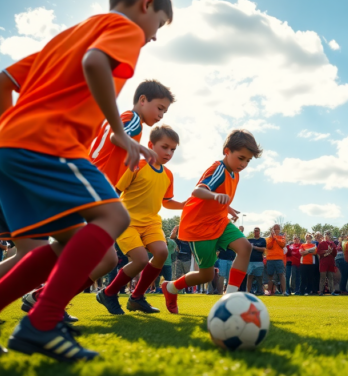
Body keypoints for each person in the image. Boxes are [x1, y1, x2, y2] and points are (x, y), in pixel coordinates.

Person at [0, 0, 173, 360]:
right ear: (146, 4)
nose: (152, 36)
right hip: (49, 144)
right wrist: (119, 132)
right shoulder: (124, 29)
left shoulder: (65, 37)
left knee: (57, 247)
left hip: (3, 150)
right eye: (158, 25)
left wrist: (14, 132)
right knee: (114, 219)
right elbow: (95, 63)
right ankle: (41, 322)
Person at [18, 79, 177, 318]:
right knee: (90, 255)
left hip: (95, 189)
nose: (162, 115)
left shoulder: (130, 121)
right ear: (142, 100)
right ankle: (40, 296)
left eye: (165, 111)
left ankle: (44, 297)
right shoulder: (132, 120)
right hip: (94, 190)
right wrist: (139, 150)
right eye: (160, 108)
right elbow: (115, 137)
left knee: (104, 259)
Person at [161, 129, 262, 313]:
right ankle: (170, 288)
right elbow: (198, 191)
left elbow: (221, 196)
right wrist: (215, 196)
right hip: (199, 227)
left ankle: (229, 298)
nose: (244, 164)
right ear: (227, 151)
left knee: (245, 247)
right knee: (205, 275)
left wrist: (226, 206)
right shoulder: (218, 169)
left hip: (219, 221)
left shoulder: (235, 174)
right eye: (241, 158)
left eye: (248, 160)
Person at [96, 125, 184, 314]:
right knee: (141, 260)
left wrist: (186, 204)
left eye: (173, 150)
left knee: (161, 253)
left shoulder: (168, 175)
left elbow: (166, 202)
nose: (169, 153)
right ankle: (108, 293)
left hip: (152, 222)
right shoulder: (137, 165)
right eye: (165, 147)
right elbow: (116, 191)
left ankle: (136, 298)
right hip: (127, 221)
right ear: (151, 145)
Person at [265, 224, 288, 296]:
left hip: (279, 259)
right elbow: (268, 246)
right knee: (270, 276)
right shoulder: (268, 238)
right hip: (270, 259)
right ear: (272, 230)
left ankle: (284, 291)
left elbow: (282, 245)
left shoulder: (282, 237)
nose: (276, 230)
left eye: (277, 228)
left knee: (281, 274)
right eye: (275, 229)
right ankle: (269, 291)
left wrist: (276, 238)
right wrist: (272, 238)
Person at [246, 227, 267, 295]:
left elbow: (264, 249)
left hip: (259, 261)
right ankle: (248, 291)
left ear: (259, 232)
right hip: (250, 261)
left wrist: (254, 247)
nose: (256, 232)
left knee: (259, 277)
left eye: (257, 231)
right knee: (250, 276)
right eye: (255, 231)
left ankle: (260, 291)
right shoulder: (249, 240)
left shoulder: (262, 240)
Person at [317, 231, 338, 296]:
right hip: (323, 263)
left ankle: (332, 291)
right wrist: (326, 251)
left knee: (330, 277)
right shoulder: (321, 243)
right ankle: (321, 292)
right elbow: (319, 252)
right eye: (326, 234)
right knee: (323, 277)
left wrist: (332, 250)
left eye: (329, 235)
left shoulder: (332, 244)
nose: (327, 236)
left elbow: (335, 253)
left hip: (330, 262)